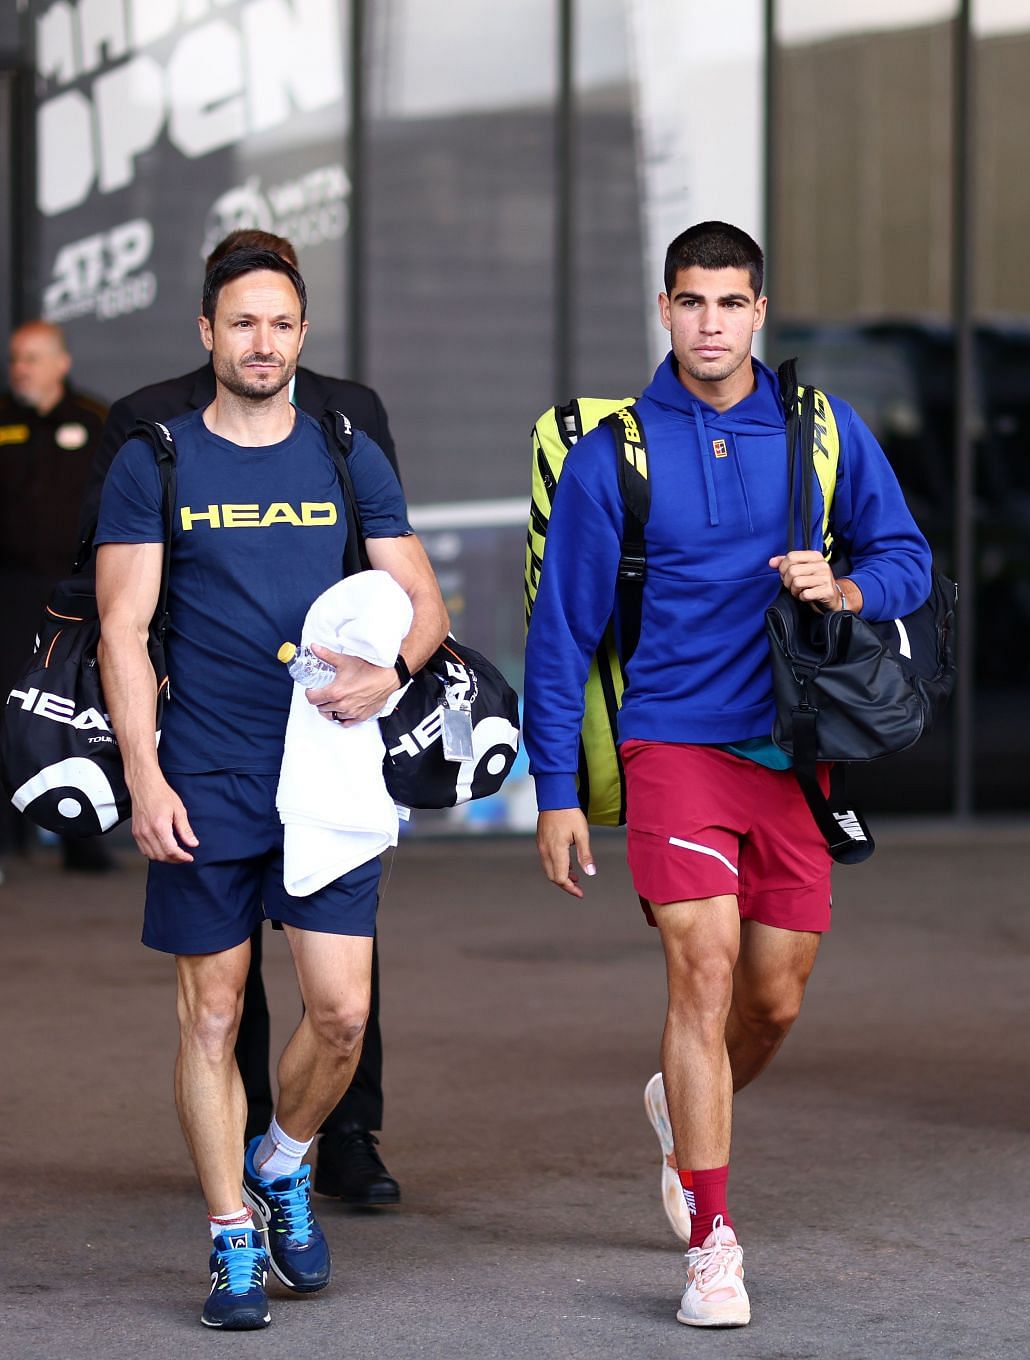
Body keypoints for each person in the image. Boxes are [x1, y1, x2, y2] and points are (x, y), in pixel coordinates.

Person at [525, 220, 932, 1329]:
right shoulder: (619, 454)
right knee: (700, 973)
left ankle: (679, 1102)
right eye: (691, 302)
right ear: (665, 310)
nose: (711, 323)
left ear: (761, 312)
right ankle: (713, 1242)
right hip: (673, 745)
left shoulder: (821, 430)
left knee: (773, 998)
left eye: (731, 303)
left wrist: (845, 589)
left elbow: (907, 556)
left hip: (793, 758)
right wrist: (555, 791)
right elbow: (562, 634)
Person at [94, 247, 449, 1330]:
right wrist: (144, 773)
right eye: (243, 324)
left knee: (340, 1014)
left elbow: (422, 601)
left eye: (282, 325)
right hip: (205, 769)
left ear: (302, 335)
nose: (263, 344)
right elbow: (118, 625)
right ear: (208, 331)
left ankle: (285, 1160)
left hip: (328, 772)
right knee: (214, 1012)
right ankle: (232, 1236)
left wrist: (390, 671)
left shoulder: (347, 452)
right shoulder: (154, 458)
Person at [0, 319, 112, 871]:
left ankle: (82, 840)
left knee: (77, 703)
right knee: (7, 703)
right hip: (9, 589)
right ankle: (6, 841)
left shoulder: (96, 419)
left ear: (61, 362)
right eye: (17, 358)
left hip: (77, 594)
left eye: (34, 358)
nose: (22, 368)